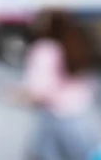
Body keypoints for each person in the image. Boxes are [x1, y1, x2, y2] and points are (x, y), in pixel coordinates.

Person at [16, 10, 99, 160]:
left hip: (54, 121)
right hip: (81, 120)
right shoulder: (77, 44)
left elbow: (39, 91)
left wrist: (18, 95)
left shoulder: (45, 49)